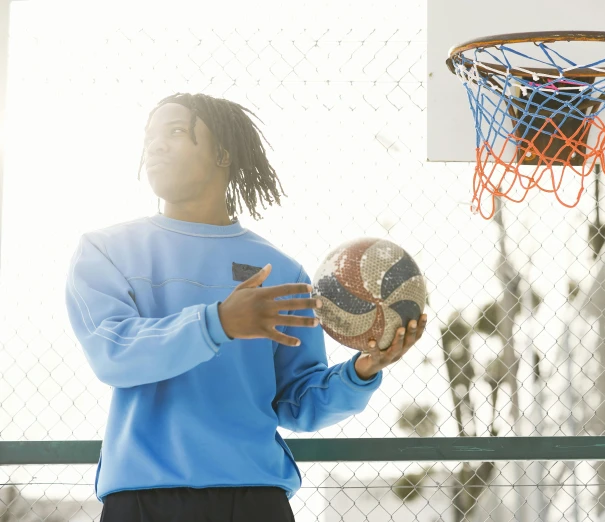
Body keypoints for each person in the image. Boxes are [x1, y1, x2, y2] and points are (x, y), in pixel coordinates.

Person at [65, 92, 427, 522]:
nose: (155, 145)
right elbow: (113, 353)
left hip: (255, 498)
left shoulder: (282, 271)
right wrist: (216, 322)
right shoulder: (106, 251)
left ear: (222, 152)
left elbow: (297, 402)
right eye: (150, 137)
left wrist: (362, 370)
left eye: (176, 131)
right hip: (145, 497)